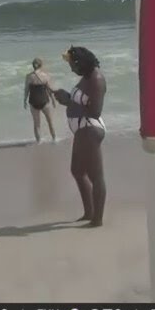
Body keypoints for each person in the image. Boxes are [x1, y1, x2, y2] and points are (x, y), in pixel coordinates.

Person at [54, 46, 107, 227]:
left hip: (90, 129)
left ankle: (97, 219)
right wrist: (66, 97)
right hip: (82, 130)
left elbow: (94, 111)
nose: (71, 69)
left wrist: (69, 101)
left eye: (72, 65)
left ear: (81, 63)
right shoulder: (85, 78)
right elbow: (79, 102)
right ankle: (89, 212)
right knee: (77, 171)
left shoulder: (96, 79)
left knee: (96, 176)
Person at [23, 58, 57, 143]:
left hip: (33, 101)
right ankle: (54, 139)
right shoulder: (46, 76)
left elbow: (26, 90)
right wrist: (53, 100)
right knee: (50, 122)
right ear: (41, 65)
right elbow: (49, 90)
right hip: (44, 101)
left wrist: (24, 101)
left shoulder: (29, 76)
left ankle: (39, 142)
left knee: (37, 124)